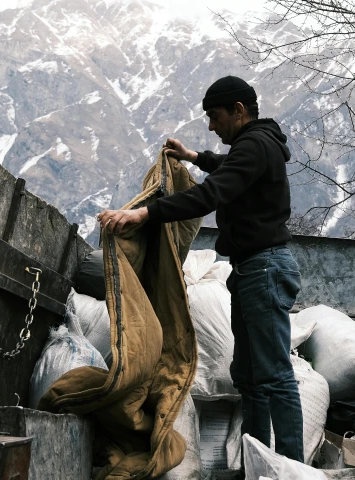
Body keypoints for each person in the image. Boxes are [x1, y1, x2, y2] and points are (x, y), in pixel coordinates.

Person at [97, 75, 304, 462]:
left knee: (274, 377)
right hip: (250, 271)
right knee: (249, 377)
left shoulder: (256, 145)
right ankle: (258, 462)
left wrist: (145, 212)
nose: (211, 125)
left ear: (238, 111)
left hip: (264, 270)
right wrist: (195, 158)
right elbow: (229, 167)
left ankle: (290, 468)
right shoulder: (255, 145)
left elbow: (212, 193)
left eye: (214, 116)